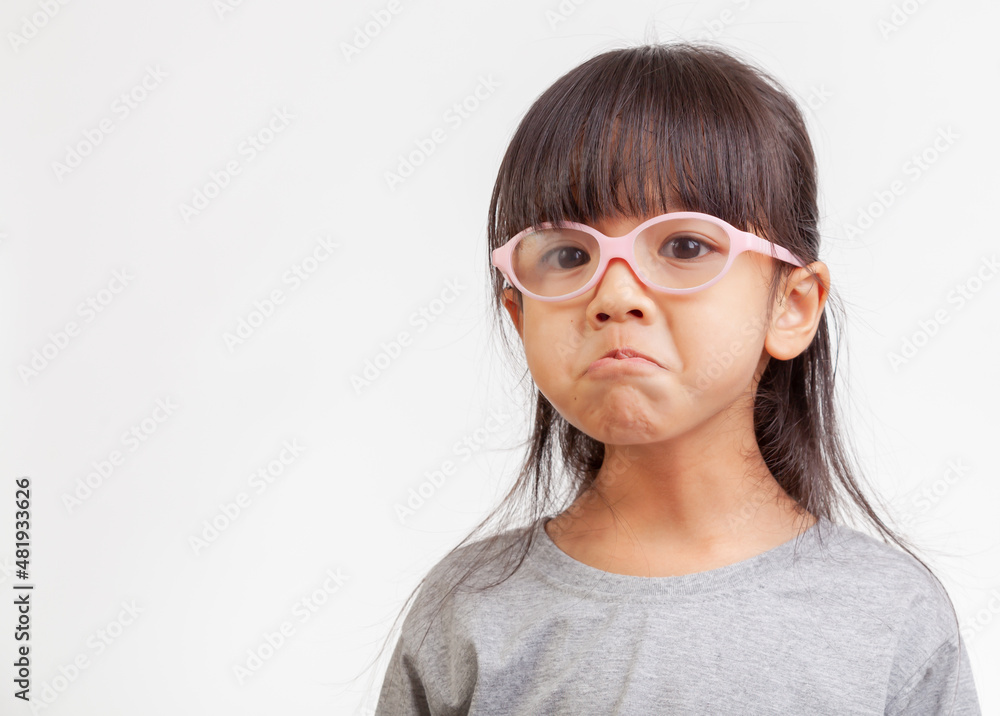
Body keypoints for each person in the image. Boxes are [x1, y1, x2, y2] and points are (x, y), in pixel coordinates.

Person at [370, 41, 982, 714]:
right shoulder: (468, 618)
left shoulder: (889, 618)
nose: (615, 294)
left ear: (792, 305)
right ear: (518, 312)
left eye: (686, 246)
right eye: (569, 254)